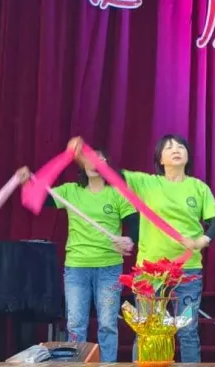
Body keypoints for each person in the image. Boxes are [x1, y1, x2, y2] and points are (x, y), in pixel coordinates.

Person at [69, 134, 215, 363]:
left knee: (188, 331)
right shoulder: (146, 183)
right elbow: (110, 173)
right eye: (169, 148)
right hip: (149, 273)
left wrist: (202, 240)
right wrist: (84, 154)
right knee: (145, 331)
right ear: (160, 159)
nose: (176, 150)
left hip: (187, 271)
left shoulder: (199, 187)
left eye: (180, 147)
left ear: (188, 155)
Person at [16, 149, 139, 362]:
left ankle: (108, 365)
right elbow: (40, 199)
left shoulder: (118, 193)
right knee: (75, 324)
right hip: (77, 268)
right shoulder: (70, 191)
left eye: (99, 158)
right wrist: (27, 182)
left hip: (109, 268)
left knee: (108, 323)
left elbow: (134, 223)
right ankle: (76, 364)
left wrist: (129, 240)